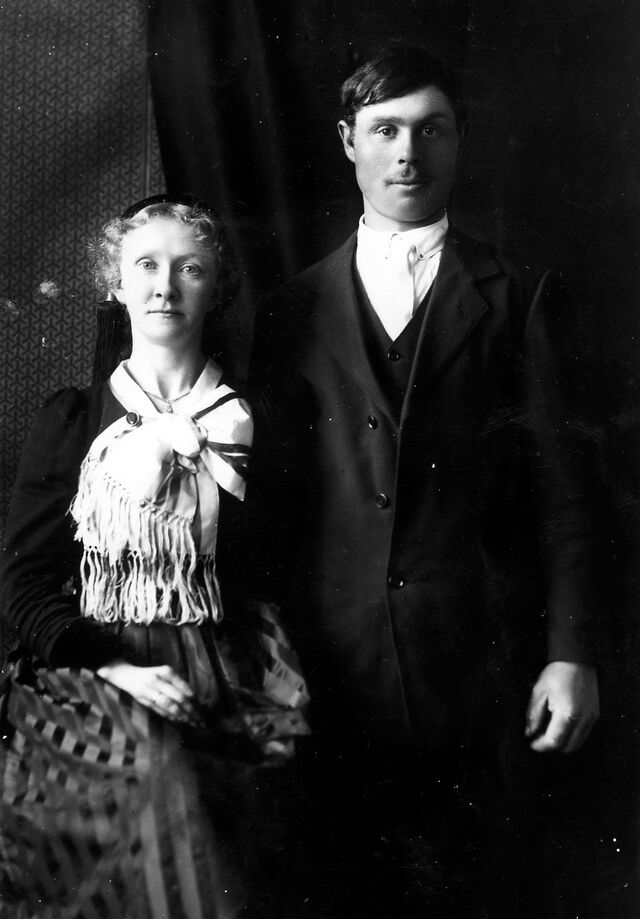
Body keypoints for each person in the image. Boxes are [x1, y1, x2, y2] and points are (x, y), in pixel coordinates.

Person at [250, 47, 602, 917]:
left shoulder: (521, 294)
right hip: (330, 670)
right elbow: (273, 512)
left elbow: (568, 496)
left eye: (430, 130)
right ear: (348, 141)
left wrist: (571, 652)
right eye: (386, 131)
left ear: (459, 141)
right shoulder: (290, 309)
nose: (408, 153)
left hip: (480, 666)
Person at [0, 196, 309, 918]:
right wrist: (115, 666)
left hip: (224, 664)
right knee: (144, 793)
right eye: (145, 265)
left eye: (189, 268)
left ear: (216, 287)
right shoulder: (75, 419)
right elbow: (22, 580)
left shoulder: (252, 418)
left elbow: (280, 565)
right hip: (93, 667)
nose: (165, 285)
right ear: (116, 282)